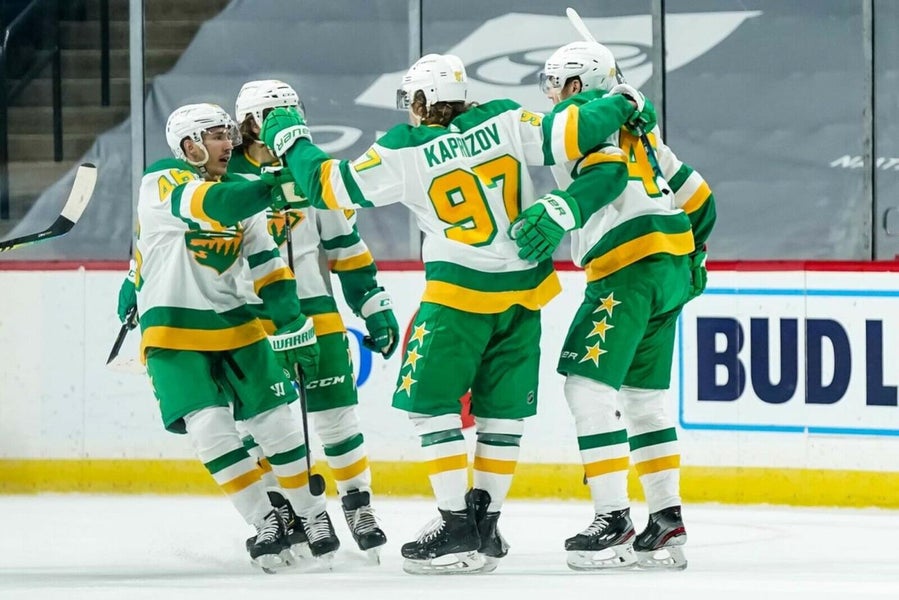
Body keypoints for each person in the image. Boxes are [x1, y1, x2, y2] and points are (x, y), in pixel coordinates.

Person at [257, 53, 654, 574]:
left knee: (432, 408)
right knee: (501, 415)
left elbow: (332, 187)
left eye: (412, 102)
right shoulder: (508, 117)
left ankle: (454, 524)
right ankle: (485, 525)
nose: (410, 112)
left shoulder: (403, 148)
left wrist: (293, 141)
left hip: (457, 299)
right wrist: (623, 100)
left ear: (422, 101)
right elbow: (571, 132)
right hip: (523, 295)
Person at [510, 41, 717, 571]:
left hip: (627, 266)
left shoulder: (583, 119)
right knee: (643, 397)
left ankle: (614, 520)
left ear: (579, 86)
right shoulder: (644, 134)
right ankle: (667, 519)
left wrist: (562, 210)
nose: (550, 93)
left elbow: (593, 163)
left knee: (586, 387)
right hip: (669, 263)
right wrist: (696, 256)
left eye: (556, 82)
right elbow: (700, 199)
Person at [132, 102, 339, 571]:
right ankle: (265, 520)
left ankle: (313, 515)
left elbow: (268, 267)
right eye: (216, 135)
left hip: (235, 323)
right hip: (172, 328)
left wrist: (292, 324)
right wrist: (276, 185)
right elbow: (212, 207)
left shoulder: (242, 193)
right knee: (208, 426)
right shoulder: (162, 180)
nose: (229, 143)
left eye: (229, 133)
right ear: (189, 146)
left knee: (276, 423)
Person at [228, 79, 398, 559]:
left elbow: (345, 247)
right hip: (252, 321)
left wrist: (373, 303)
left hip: (315, 311)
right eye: (273, 114)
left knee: (336, 414)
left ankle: (357, 504)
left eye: (291, 109)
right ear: (249, 124)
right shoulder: (222, 179)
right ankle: (287, 511)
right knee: (260, 426)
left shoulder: (310, 168)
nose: (287, 119)